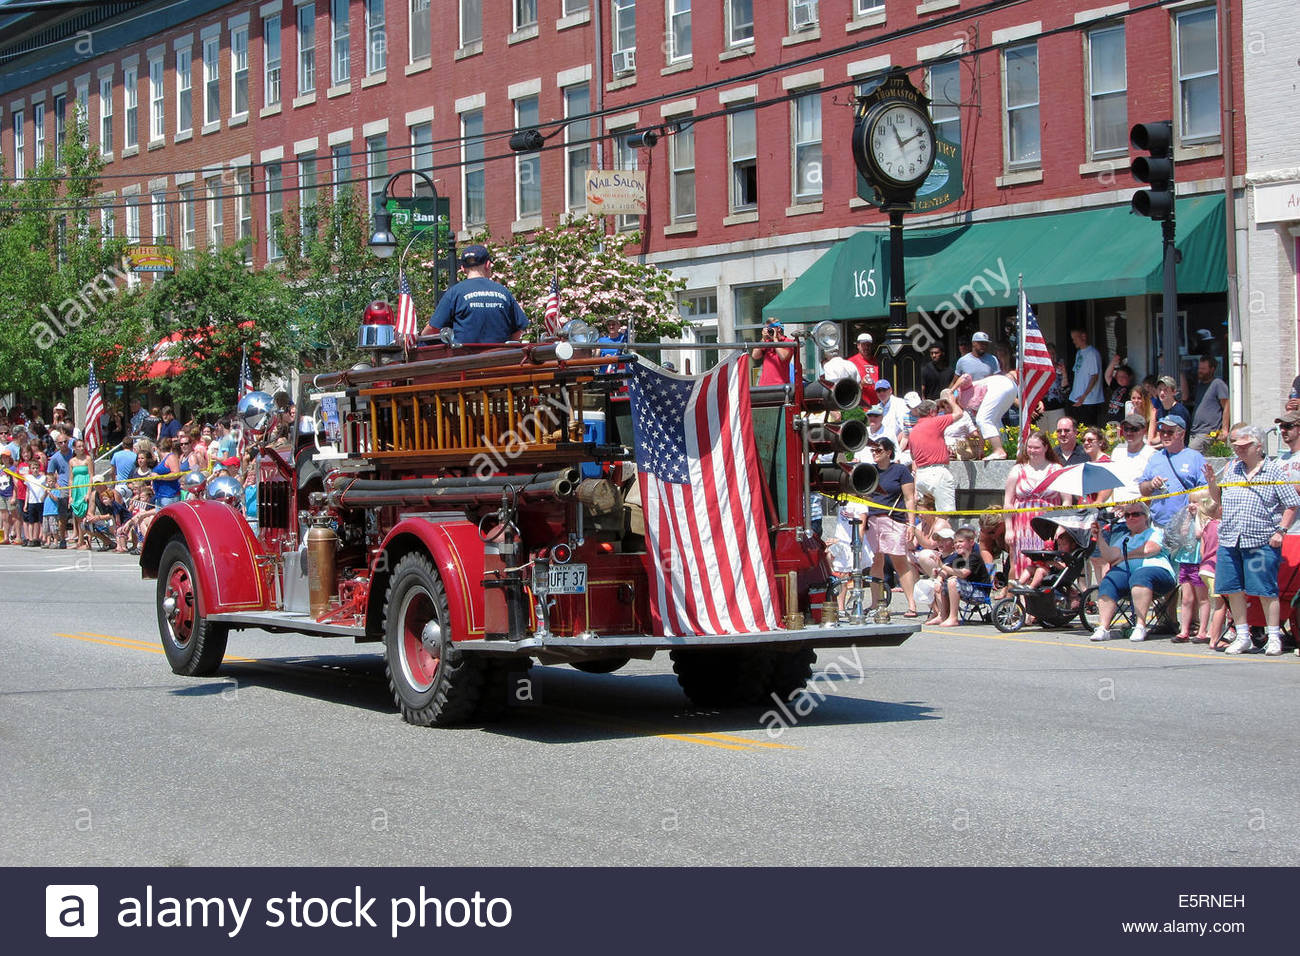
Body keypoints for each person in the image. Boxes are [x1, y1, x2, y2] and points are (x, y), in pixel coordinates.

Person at [1205, 425, 1300, 656]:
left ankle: (1274, 636)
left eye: (1244, 446)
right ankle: (1243, 635)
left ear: (1258, 447)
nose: (1239, 450)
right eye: (1236, 446)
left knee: (1265, 590)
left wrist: (1281, 531)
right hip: (1230, 538)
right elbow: (1220, 499)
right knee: (1233, 589)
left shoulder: (1274, 471)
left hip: (1260, 540)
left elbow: (1291, 502)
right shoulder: (1232, 469)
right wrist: (1211, 483)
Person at [1089, 501, 1178, 642]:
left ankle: (1140, 626)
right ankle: (1103, 627)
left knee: (1140, 576)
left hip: (1157, 572)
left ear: (1145, 516)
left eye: (1135, 514)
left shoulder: (1155, 532)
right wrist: (1099, 537)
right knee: (1109, 580)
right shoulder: (1124, 538)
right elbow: (1111, 556)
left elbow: (1149, 549)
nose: (1130, 518)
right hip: (1128, 574)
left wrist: (1124, 557)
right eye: (1127, 515)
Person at [422, 244, 530, 343]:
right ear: (487, 265)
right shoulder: (503, 292)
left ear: (463, 268)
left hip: (465, 360)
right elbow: (518, 329)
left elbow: (432, 330)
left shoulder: (455, 293)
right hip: (499, 359)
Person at [863, 438, 920, 617]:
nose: (875, 453)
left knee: (899, 561)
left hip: (893, 519)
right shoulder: (869, 471)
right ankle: (876, 603)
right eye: (873, 451)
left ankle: (912, 604)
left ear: (889, 452)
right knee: (875, 562)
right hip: (872, 520)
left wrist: (911, 523)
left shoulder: (900, 470)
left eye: (878, 450)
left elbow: (910, 498)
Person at [1004, 430, 1069, 582]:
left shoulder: (1056, 469)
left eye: (1036, 447)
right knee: (1023, 563)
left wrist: (1062, 525)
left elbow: (1067, 501)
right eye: (1030, 447)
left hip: (1048, 525)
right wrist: (1008, 528)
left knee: (1045, 564)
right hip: (1023, 527)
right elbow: (1008, 502)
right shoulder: (1018, 470)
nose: (1032, 451)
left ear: (1046, 447)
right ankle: (1023, 600)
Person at [1137, 414, 1206, 528]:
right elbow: (1143, 490)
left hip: (1186, 525)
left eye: (1170, 432)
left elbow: (1205, 492)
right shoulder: (1155, 458)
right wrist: (1151, 484)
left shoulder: (1195, 458)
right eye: (1162, 431)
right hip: (1158, 525)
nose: (1164, 435)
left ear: (1182, 434)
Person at [1172, 489, 1215, 644]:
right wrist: (1187, 517)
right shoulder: (1189, 518)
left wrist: (1197, 516)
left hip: (1199, 561)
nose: (1191, 505)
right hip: (1186, 560)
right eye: (1189, 502)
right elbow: (1183, 533)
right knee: (1186, 598)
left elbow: (1198, 534)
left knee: (1202, 598)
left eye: (1195, 502)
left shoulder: (1206, 520)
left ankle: (1202, 630)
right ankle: (1184, 629)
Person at [927, 527, 993, 627]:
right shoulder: (958, 557)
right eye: (955, 542)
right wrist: (939, 577)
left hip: (979, 592)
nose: (957, 544)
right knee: (942, 582)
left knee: (953, 581)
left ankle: (953, 618)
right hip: (968, 589)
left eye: (961, 541)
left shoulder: (973, 556)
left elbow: (963, 573)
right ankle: (943, 615)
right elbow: (946, 571)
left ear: (971, 542)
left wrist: (942, 565)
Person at [953, 369, 1020, 460]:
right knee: (991, 421)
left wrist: (952, 390)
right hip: (1011, 388)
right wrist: (981, 449)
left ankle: (999, 450)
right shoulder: (968, 407)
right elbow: (981, 427)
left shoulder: (962, 390)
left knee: (983, 419)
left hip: (1001, 385)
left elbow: (966, 376)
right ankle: (998, 450)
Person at [907, 400, 956, 515]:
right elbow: (959, 413)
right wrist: (950, 397)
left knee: (926, 519)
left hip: (921, 476)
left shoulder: (913, 431)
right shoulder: (935, 422)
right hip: (937, 474)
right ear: (932, 411)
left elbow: (913, 456)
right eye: (938, 411)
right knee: (944, 517)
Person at [1108, 413, 1154, 507]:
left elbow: (1153, 492)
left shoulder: (1152, 455)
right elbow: (1110, 482)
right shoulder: (1117, 450)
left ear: (1144, 430)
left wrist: (1128, 506)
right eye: (1126, 429)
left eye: (1134, 429)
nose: (1129, 433)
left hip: (1139, 513)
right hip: (1115, 511)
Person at [1188, 355, 1229, 452]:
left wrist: (1225, 429)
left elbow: (1227, 406)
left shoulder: (1218, 384)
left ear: (1212, 369)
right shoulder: (1200, 386)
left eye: (1203, 369)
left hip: (1207, 433)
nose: (1200, 371)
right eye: (1199, 368)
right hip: (1195, 431)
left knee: (1190, 454)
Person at [1067, 329, 1105, 425]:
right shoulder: (1079, 352)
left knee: (1088, 430)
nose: (1074, 341)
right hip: (1076, 398)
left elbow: (1094, 376)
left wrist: (1083, 396)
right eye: (1072, 339)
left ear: (1083, 336)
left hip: (1088, 401)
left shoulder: (1092, 353)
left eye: (1075, 338)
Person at [45, 430, 72, 548]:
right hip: (63, 487)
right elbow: (50, 473)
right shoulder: (55, 457)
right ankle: (62, 539)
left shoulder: (73, 453)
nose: (63, 444)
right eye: (60, 443)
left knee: (77, 515)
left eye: (65, 442)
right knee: (62, 515)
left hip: (75, 486)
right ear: (57, 444)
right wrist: (57, 486)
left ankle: (78, 537)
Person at [750, 319, 795, 386]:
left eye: (771, 327)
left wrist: (775, 339)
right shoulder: (766, 342)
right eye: (767, 327)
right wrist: (763, 339)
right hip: (764, 385)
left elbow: (783, 357)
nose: (768, 329)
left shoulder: (789, 342)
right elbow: (755, 356)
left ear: (778, 328)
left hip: (780, 385)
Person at [68, 438, 93, 550]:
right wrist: (70, 495)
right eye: (79, 446)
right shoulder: (72, 461)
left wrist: (88, 492)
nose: (81, 448)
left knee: (86, 514)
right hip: (76, 489)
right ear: (74, 448)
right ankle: (80, 540)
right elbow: (71, 479)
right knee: (78, 515)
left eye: (83, 446)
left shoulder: (88, 459)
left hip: (85, 486)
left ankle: (88, 541)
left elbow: (91, 475)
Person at [849, 333, 881, 406]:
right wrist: (861, 384)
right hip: (860, 406)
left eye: (868, 345)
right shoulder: (851, 362)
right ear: (858, 345)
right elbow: (847, 387)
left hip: (878, 405)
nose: (866, 347)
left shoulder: (877, 362)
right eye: (863, 345)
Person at [1103, 356, 1135, 423]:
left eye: (1123, 376)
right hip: (1110, 421)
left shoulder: (1132, 391)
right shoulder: (1116, 386)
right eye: (1118, 376)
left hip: (1121, 422)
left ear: (1130, 377)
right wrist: (1113, 362)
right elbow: (1107, 376)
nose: (1120, 379)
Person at [152, 437, 182, 508]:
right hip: (160, 495)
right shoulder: (162, 460)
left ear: (158, 448)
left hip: (169, 496)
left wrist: (159, 477)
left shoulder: (171, 457)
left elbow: (176, 474)